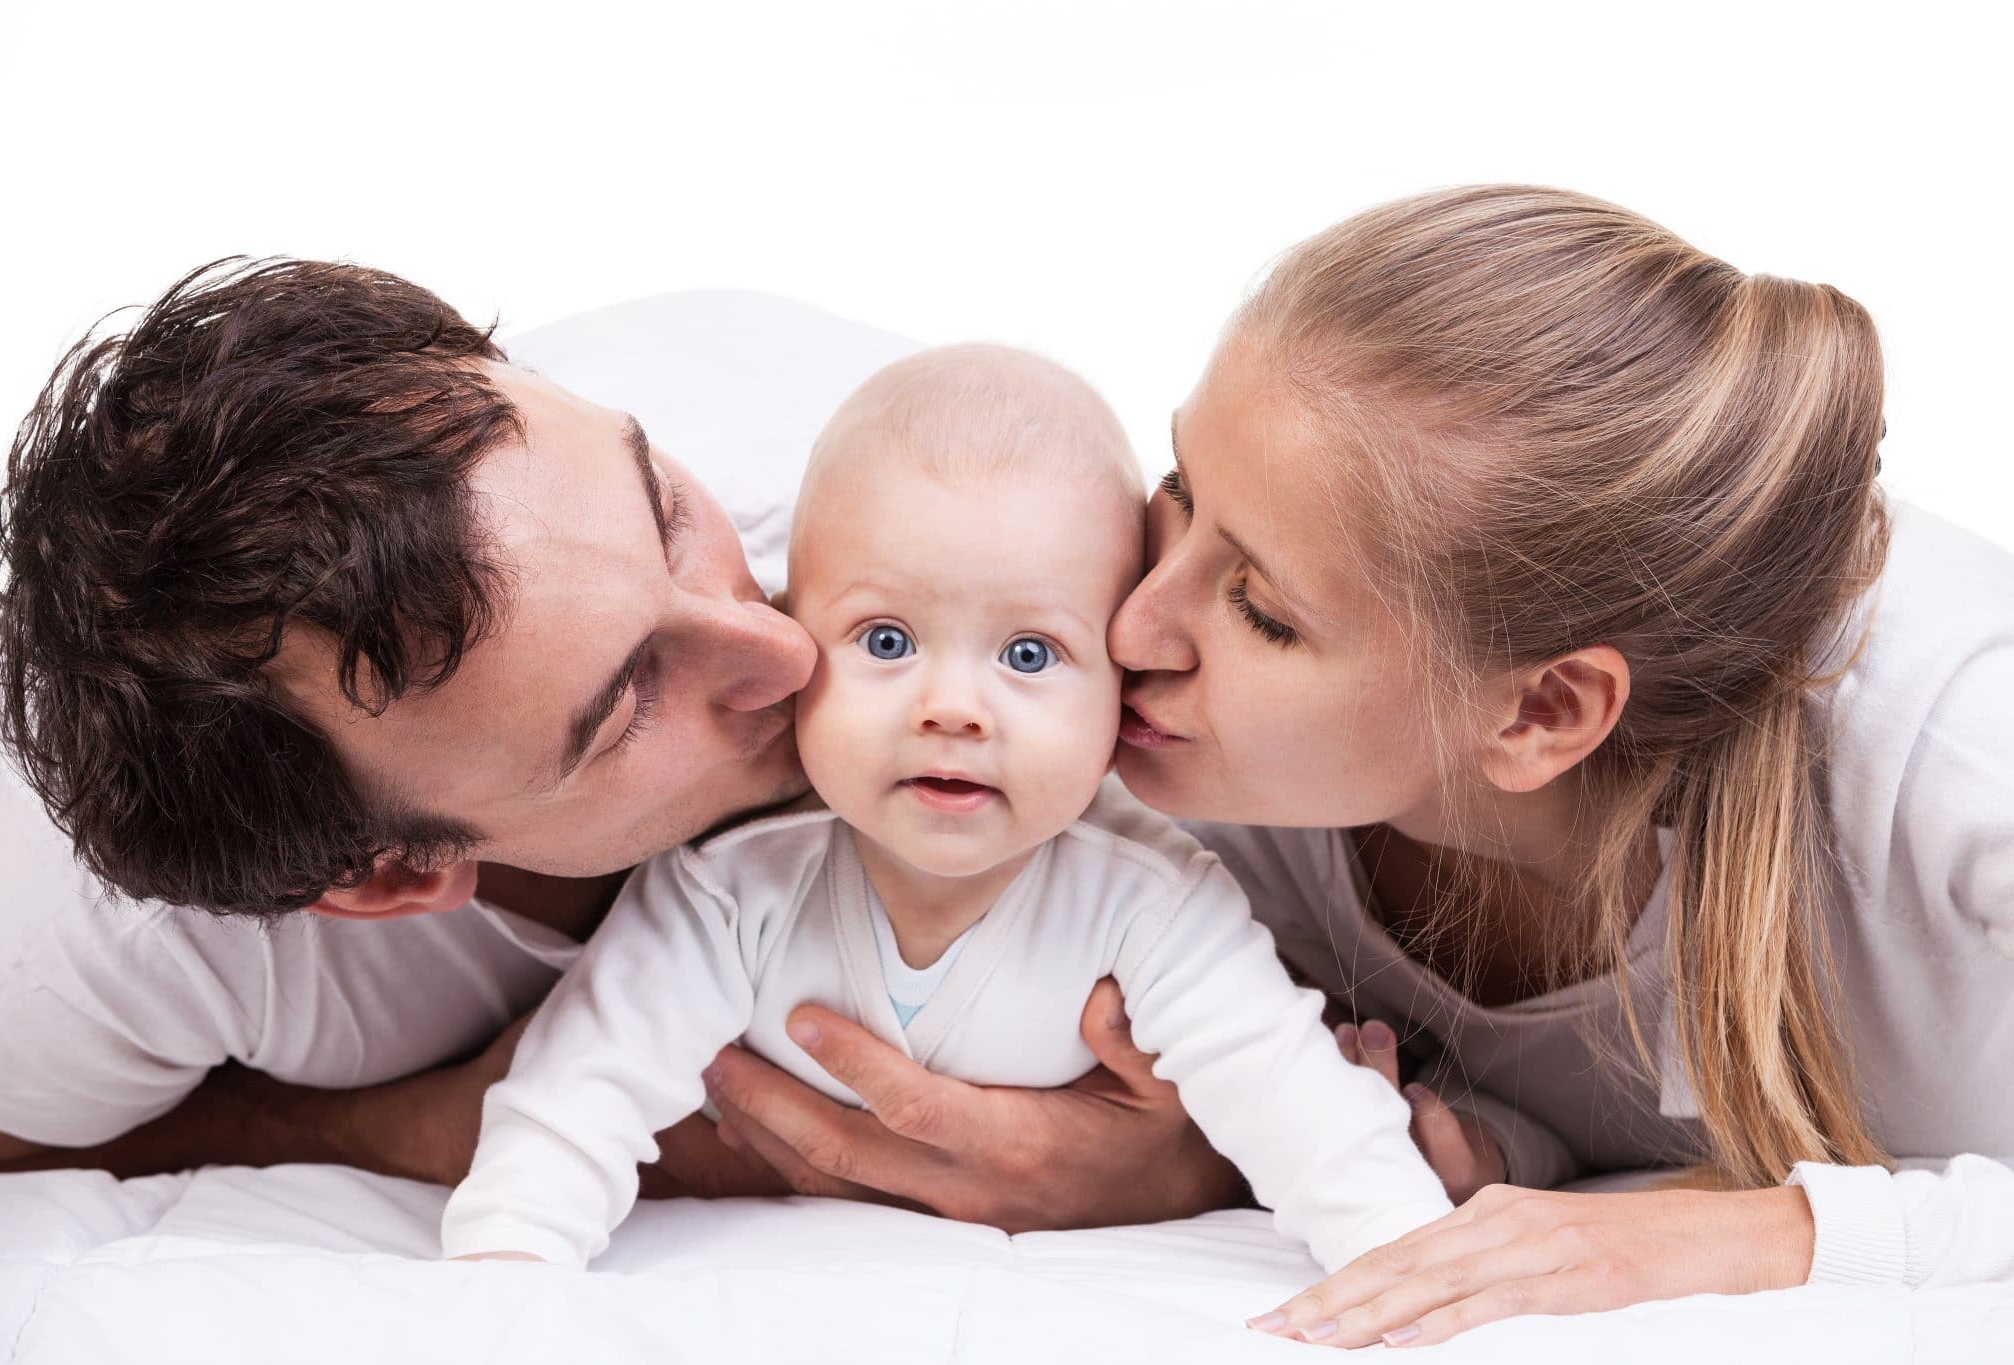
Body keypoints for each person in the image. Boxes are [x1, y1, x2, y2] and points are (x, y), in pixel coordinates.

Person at [698, 187, 2014, 1344]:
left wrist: (1747, 1238)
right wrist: (1207, 1162)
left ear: (1544, 710)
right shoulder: (1164, 770)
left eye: (1261, 606)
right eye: (1179, 489)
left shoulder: (1958, 740)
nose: (1137, 621)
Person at [0, 261, 1232, 1229]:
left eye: (665, 512)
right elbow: (3, 1148)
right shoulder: (75, 951)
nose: (782, 649)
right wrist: (412, 1128)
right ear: (391, 876)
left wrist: (1194, 1158)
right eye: (625, 705)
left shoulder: (882, 482)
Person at [438, 345, 1449, 1269]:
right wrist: (507, 1272)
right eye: (885, 641)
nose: (953, 711)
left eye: (1028, 655)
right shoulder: (727, 892)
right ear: (795, 637)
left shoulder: (1154, 901)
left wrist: (1402, 1256)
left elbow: (1289, 1097)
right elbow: (577, 1096)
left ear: (1118, 686)